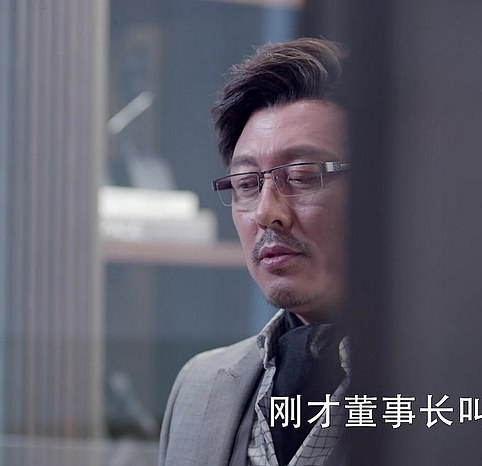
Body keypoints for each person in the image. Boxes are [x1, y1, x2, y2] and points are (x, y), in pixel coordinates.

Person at [158, 38, 351, 466]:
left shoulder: (468, 391)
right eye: (247, 184)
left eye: (301, 176)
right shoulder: (199, 387)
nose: (266, 213)